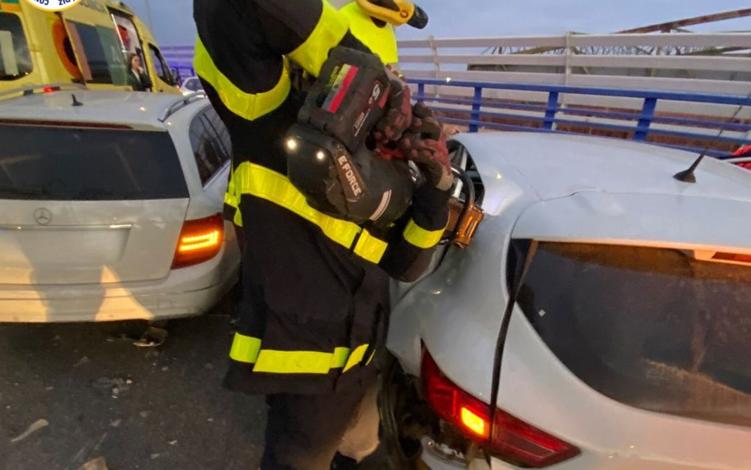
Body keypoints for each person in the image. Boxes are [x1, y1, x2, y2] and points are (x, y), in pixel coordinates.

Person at [193, 1, 451, 468]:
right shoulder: (270, 120)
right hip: (306, 360)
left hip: (357, 363)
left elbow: (406, 262)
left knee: (350, 453)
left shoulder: (386, 165)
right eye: (371, 88)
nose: (377, 110)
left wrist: (436, 187)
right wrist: (367, 76)